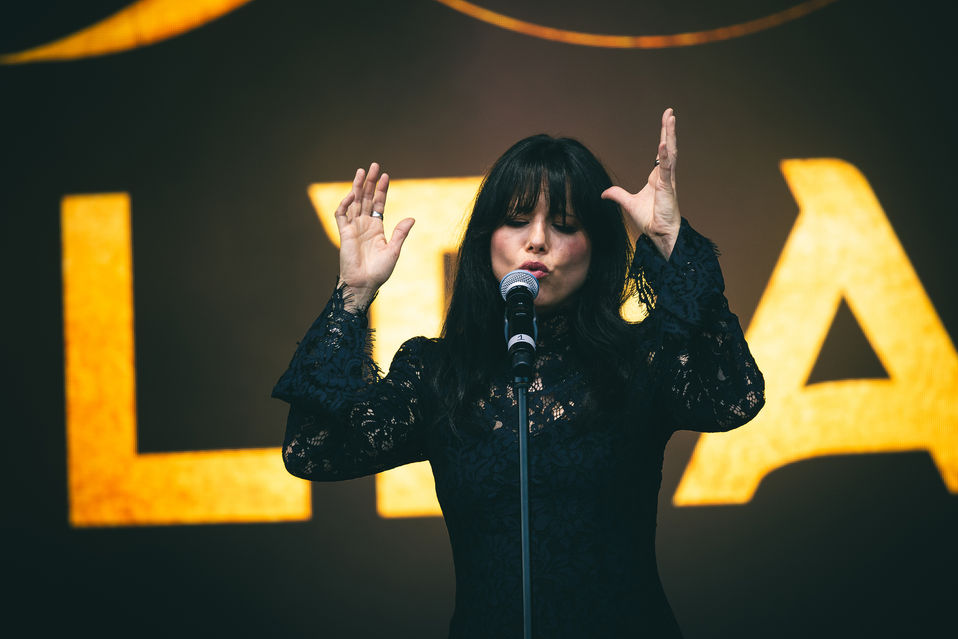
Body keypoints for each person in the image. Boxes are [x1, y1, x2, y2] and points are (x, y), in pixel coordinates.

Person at [272, 108, 765, 638]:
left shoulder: (637, 360)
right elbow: (313, 449)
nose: (537, 241)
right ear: (485, 239)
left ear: (595, 249)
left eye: (565, 225)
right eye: (515, 221)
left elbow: (732, 396)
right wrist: (354, 293)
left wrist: (670, 240)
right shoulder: (439, 375)